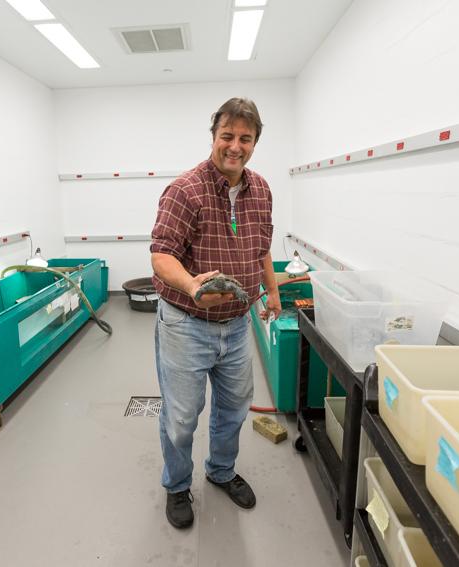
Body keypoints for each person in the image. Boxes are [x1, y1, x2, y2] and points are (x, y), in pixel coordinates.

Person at [149, 97, 281, 529]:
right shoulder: (185, 190)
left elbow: (261, 250)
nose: (235, 146)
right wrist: (192, 286)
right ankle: (177, 485)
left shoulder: (261, 189)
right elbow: (162, 256)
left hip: (238, 326)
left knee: (234, 408)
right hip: (186, 325)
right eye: (228, 136)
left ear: (255, 142)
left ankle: (221, 471)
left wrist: (272, 293)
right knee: (182, 416)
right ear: (214, 137)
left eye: (245, 138)